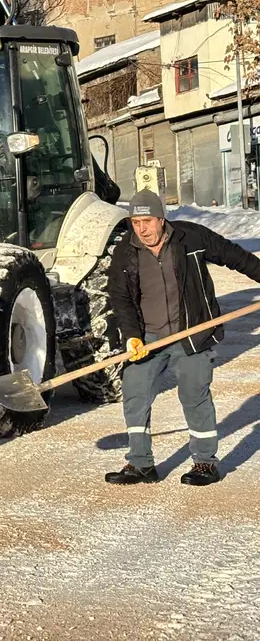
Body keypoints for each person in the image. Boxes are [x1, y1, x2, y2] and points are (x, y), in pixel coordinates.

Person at [104, 190, 260, 487]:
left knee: (194, 396)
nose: (142, 229)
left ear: (161, 219)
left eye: (147, 221)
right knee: (135, 394)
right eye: (136, 222)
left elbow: (234, 256)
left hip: (192, 334)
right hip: (149, 337)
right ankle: (141, 464)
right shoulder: (125, 251)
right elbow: (120, 297)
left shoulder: (191, 238)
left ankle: (205, 463)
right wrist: (132, 336)